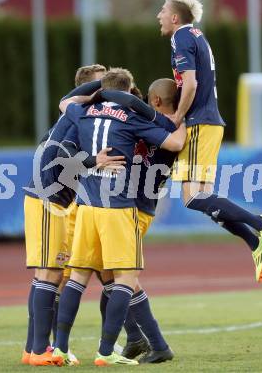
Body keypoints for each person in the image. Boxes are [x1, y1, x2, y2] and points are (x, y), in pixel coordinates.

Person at [52, 68, 187, 366]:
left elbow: (65, 104)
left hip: (94, 204)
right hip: (121, 206)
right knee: (122, 279)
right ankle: (114, 349)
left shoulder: (85, 111)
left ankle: (61, 348)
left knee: (83, 276)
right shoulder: (141, 117)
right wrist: (184, 119)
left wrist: (94, 93)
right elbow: (174, 143)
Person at [157, 0, 262, 282]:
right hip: (208, 122)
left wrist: (177, 117)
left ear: (175, 17)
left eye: (163, 10)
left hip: (200, 123)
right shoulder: (197, 36)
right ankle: (255, 243)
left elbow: (190, 83)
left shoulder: (181, 37)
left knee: (192, 198)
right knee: (207, 199)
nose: (159, 16)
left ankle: (261, 223)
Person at [22, 65, 124, 367]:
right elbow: (60, 157)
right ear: (87, 92)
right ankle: (40, 350)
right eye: (99, 88)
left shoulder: (76, 118)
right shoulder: (73, 117)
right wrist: (96, 160)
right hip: (47, 199)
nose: (104, 94)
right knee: (49, 274)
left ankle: (34, 349)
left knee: (50, 274)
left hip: (54, 201)